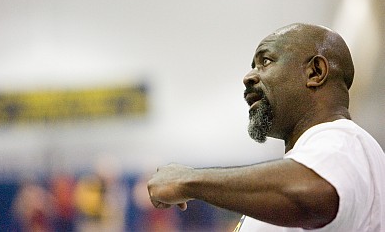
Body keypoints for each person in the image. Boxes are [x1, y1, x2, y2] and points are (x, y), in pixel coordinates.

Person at [147, 23, 385, 231]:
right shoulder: (314, 157)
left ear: (315, 72)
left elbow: (308, 193)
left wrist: (187, 180)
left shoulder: (345, 141)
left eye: (266, 61)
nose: (249, 76)